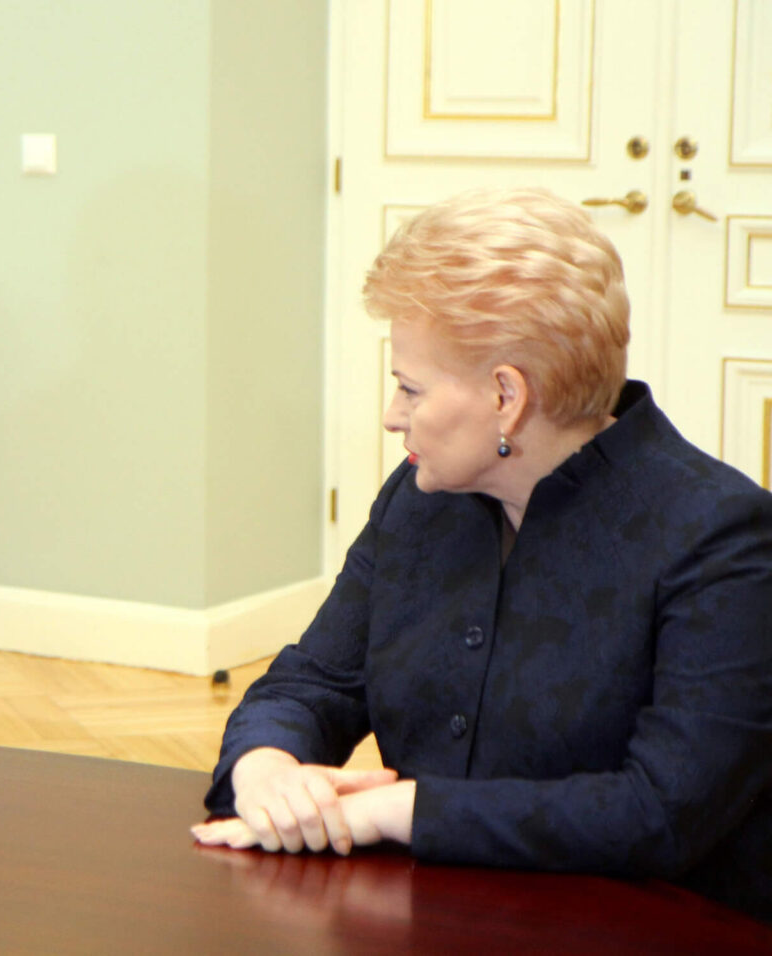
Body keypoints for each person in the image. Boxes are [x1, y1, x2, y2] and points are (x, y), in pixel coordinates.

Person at [191, 188, 772, 922]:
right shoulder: (420, 499)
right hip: (437, 913)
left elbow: (660, 812)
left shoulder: (719, 535)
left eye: (410, 388)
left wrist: (401, 810)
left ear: (507, 397)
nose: (391, 414)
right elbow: (311, 684)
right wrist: (266, 766)